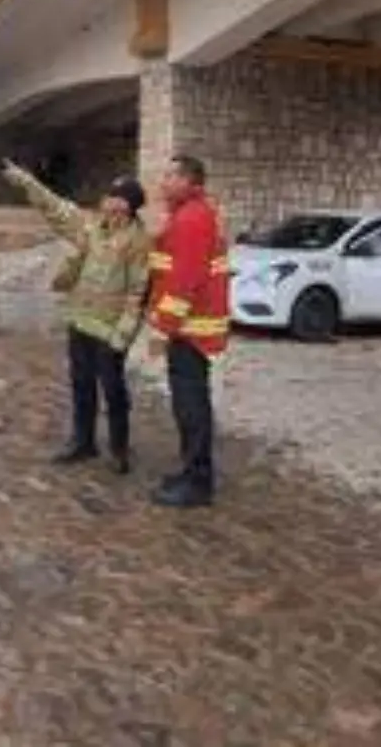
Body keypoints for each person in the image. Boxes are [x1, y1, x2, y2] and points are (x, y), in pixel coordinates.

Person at [1, 159, 151, 474]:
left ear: (131, 209)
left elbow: (138, 292)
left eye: (121, 205)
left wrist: (122, 335)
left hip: (110, 330)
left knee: (113, 388)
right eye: (111, 201)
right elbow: (57, 209)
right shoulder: (91, 228)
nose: (112, 209)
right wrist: (28, 182)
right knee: (81, 383)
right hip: (80, 320)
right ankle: (83, 441)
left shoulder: (139, 243)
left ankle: (119, 448)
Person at [144, 154, 232, 509]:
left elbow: (185, 281)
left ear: (189, 181)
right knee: (187, 405)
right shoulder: (188, 215)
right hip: (189, 329)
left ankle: (198, 482)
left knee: (191, 407)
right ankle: (190, 471)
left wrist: (162, 329)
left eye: (170, 176)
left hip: (190, 332)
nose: (163, 182)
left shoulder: (192, 218)